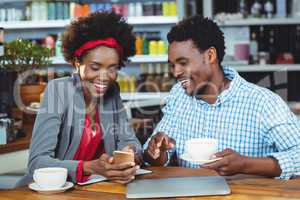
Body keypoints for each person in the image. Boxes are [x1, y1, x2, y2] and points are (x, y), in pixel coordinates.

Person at [144, 15, 300, 179]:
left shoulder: (262, 102)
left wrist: (245, 164)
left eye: (183, 63)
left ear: (210, 55)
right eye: (172, 65)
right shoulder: (178, 95)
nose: (175, 72)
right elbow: (154, 154)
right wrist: (157, 153)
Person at [19, 11, 142, 186]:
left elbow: (129, 139)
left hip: (100, 189)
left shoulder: (112, 91)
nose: (104, 77)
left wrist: (131, 152)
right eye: (95, 67)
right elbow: (37, 162)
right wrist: (89, 167)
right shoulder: (58, 90)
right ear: (77, 63)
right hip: (57, 191)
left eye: (112, 68)